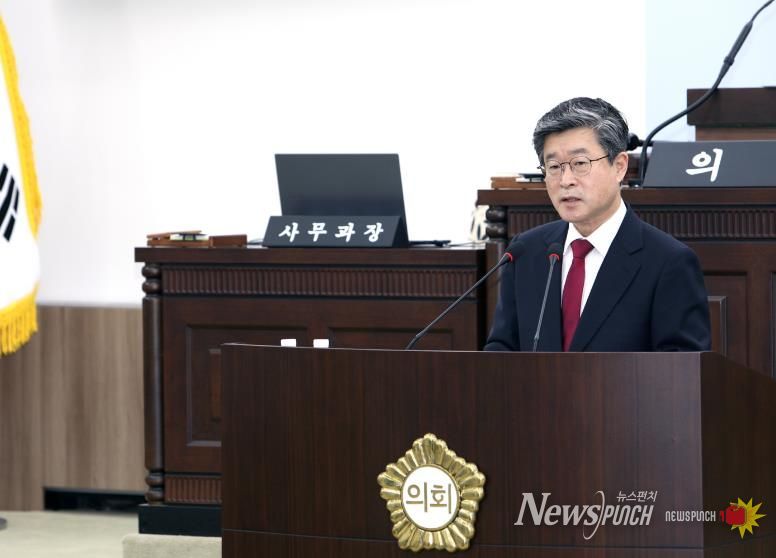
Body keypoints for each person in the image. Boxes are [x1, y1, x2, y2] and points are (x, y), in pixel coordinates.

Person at [484, 97, 710, 352]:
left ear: (619, 166)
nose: (566, 180)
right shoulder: (527, 251)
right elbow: (501, 352)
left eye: (580, 164)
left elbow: (682, 372)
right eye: (554, 166)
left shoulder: (668, 262)